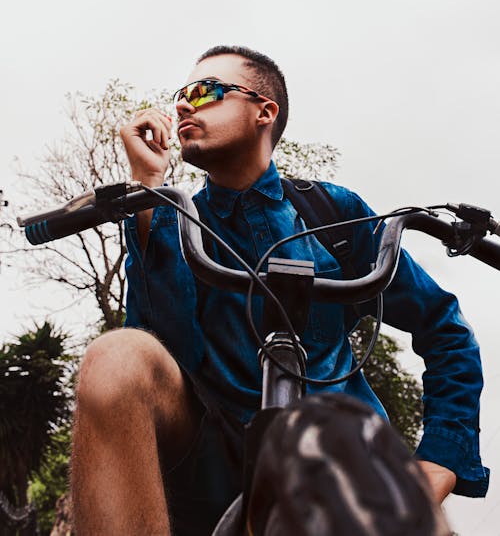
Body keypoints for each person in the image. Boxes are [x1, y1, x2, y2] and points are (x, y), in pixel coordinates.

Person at [71, 45, 489, 536]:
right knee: (116, 355)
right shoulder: (174, 221)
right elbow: (164, 349)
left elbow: (445, 331)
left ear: (263, 112)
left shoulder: (333, 214)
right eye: (181, 95)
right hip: (210, 460)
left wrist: (441, 458)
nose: (183, 105)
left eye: (204, 92)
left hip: (338, 461)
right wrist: (148, 185)